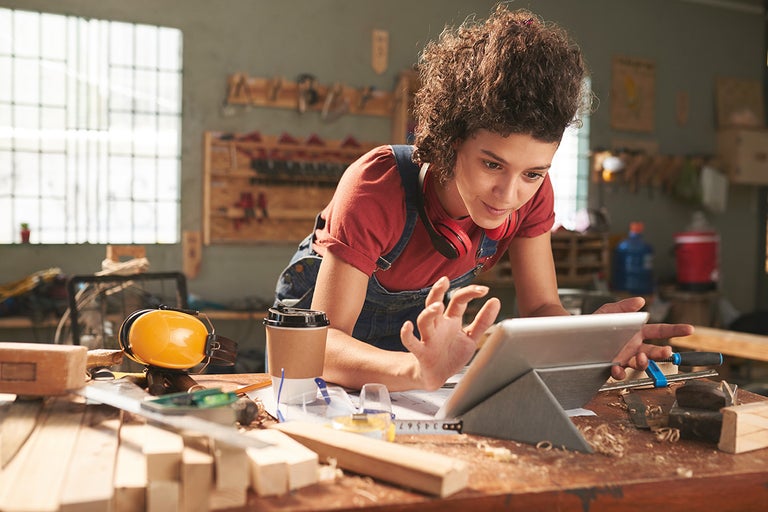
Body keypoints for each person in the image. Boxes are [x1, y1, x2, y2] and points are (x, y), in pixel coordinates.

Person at [274, 5, 693, 392]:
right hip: (326, 358)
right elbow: (321, 344)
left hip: (412, 366)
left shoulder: (532, 197)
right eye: (492, 165)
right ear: (449, 142)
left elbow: (541, 307)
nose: (509, 195)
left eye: (532, 173)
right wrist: (415, 371)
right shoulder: (376, 187)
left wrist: (587, 340)